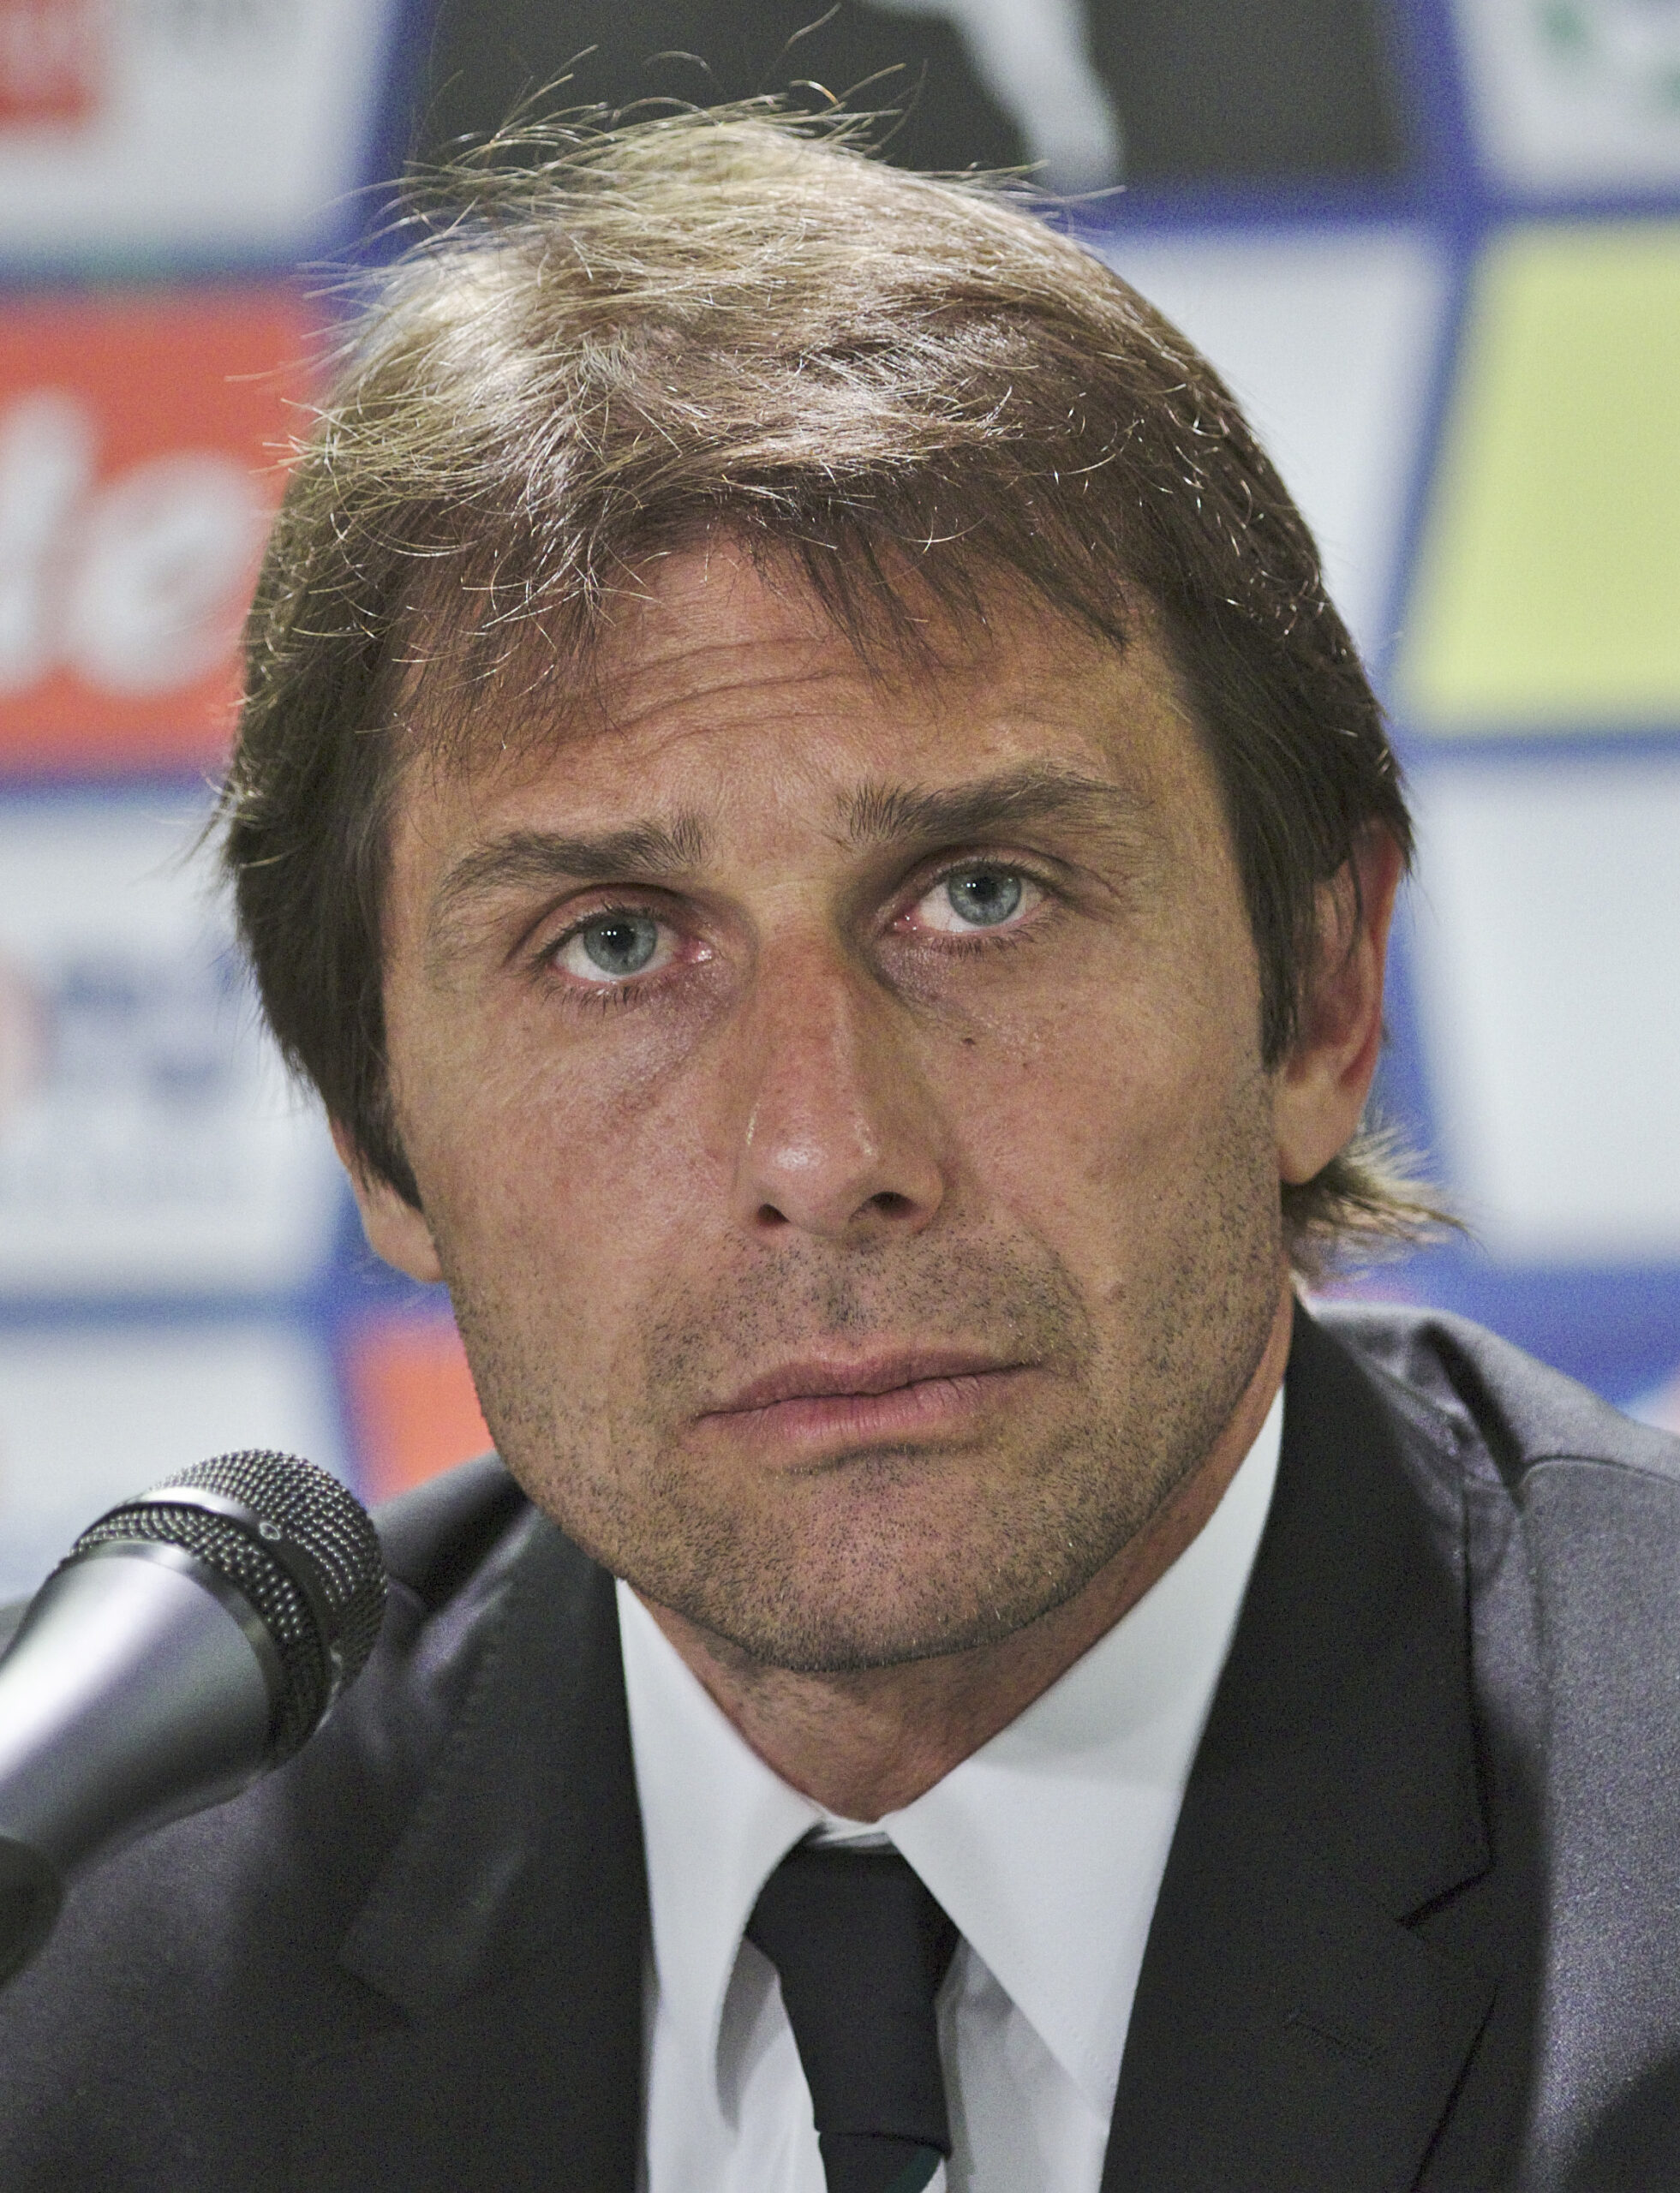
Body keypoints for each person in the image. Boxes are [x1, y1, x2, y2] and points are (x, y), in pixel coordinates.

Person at [2, 107, 1678, 2193]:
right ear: (378, 1126)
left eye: (979, 894)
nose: (824, 1145)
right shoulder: (88, 1979)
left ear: (1322, 993)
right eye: (615, 944)